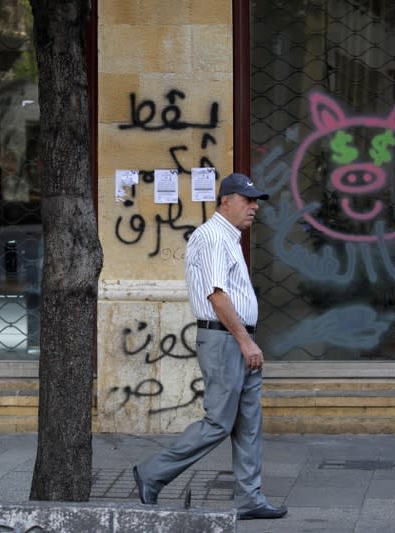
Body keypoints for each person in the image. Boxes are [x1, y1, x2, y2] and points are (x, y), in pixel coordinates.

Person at [132, 172, 288, 521]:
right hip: (226, 338)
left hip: (236, 337)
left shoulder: (228, 238)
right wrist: (245, 341)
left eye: (255, 202)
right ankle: (152, 473)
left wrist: (246, 339)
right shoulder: (214, 237)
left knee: (248, 421)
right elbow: (216, 296)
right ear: (225, 201)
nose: (254, 208)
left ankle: (249, 498)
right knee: (219, 421)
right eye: (247, 201)